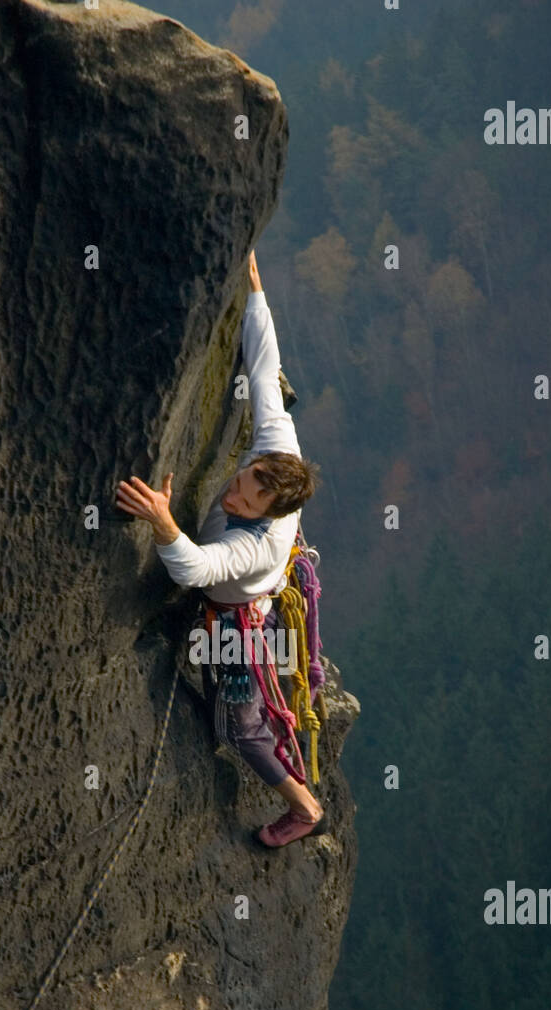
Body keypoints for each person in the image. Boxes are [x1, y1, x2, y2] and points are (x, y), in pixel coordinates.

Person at [116, 250, 324, 847]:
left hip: (235, 618)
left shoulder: (253, 547)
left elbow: (197, 567)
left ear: (269, 514)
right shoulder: (275, 450)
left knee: (242, 726)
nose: (233, 493)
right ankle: (300, 672)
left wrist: (162, 521)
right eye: (241, 480)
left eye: (247, 499)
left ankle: (303, 807)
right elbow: (264, 370)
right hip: (246, 592)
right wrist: (255, 295)